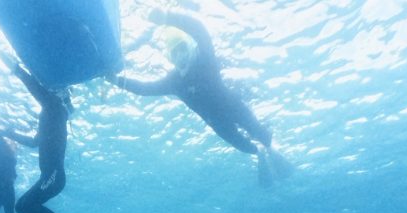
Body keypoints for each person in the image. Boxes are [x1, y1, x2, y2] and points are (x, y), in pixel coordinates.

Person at [109, 10, 290, 187]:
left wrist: (167, 17)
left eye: (182, 48)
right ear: (169, 57)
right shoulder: (173, 81)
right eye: (174, 53)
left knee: (261, 134)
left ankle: (271, 149)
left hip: (235, 107)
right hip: (218, 123)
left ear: (190, 46)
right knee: (243, 147)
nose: (180, 55)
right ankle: (258, 154)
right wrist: (116, 81)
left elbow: (199, 30)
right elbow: (144, 89)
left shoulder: (204, 60)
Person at [2, 60, 82, 213]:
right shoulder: (51, 114)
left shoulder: (56, 108)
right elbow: (32, 142)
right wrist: (10, 133)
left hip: (53, 176)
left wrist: (18, 71)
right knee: (22, 206)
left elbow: (37, 90)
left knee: (23, 206)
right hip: (50, 177)